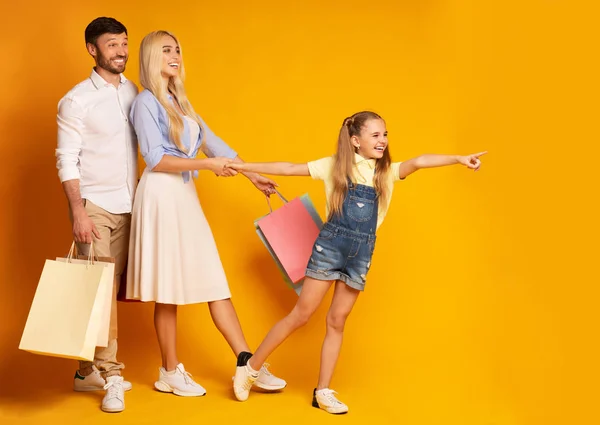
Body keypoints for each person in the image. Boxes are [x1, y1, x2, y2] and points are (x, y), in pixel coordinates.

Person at [228, 111, 487, 414]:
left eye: (385, 135)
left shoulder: (386, 171)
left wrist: (457, 158)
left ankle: (322, 391)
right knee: (302, 314)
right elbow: (287, 168)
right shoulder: (334, 167)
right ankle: (251, 367)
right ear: (355, 140)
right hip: (329, 249)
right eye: (375, 135)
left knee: (337, 321)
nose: (383, 141)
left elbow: (418, 161)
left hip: (361, 254)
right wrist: (242, 166)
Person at [125, 30, 286, 397]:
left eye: (178, 49)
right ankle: (169, 370)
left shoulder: (180, 102)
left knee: (213, 278)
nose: (176, 55)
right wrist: (209, 165)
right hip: (162, 195)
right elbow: (156, 158)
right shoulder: (146, 102)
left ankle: (247, 363)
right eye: (167, 50)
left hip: (184, 195)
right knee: (167, 288)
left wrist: (253, 176)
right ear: (152, 56)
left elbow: (216, 144)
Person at [55, 17, 137, 413]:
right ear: (93, 49)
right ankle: (113, 375)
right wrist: (78, 212)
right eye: (111, 44)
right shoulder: (76, 100)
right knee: (102, 290)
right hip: (95, 206)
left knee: (108, 289)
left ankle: (86, 370)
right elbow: (65, 159)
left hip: (130, 203)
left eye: (124, 43)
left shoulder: (134, 93)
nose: (120, 51)